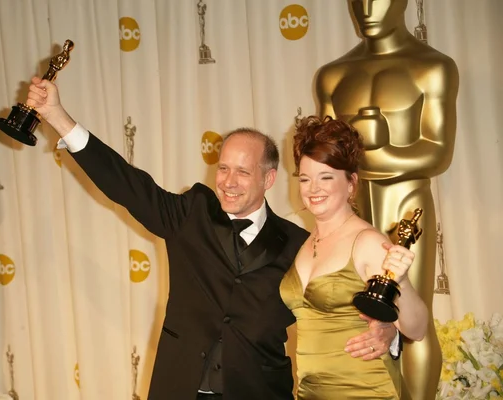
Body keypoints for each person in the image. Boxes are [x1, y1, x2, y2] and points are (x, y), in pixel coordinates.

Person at [25, 77, 398, 400]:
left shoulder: (299, 244)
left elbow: (334, 306)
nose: (228, 182)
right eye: (222, 168)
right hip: (179, 388)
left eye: (242, 172)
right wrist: (58, 116)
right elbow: (125, 183)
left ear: (268, 180)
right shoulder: (191, 213)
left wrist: (388, 329)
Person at [313, 1, 459, 397]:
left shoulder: (432, 66)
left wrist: (369, 148)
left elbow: (437, 152)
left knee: (412, 323)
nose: (367, 7)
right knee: (352, 318)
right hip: (349, 210)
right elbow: (324, 157)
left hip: (406, 204)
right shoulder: (332, 75)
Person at [280, 115, 429, 399]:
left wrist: (404, 282)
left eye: (326, 177)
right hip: (310, 392)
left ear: (351, 183)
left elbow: (418, 328)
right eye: (305, 178)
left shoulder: (367, 242)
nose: (313, 189)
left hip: (366, 390)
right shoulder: (306, 242)